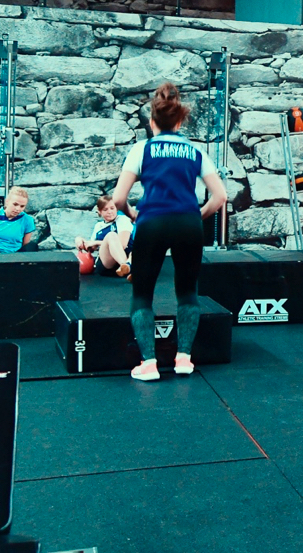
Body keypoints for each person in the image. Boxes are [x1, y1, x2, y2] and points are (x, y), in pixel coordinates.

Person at [111, 83, 227, 382]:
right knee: (188, 291)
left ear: (152, 122)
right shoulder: (194, 150)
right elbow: (220, 197)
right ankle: (184, 359)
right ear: (180, 122)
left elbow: (119, 198)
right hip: (188, 224)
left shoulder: (142, 148)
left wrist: (133, 214)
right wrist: (197, 215)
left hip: (152, 221)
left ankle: (148, 364)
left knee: (142, 294)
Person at [75, 195, 133, 278]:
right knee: (111, 236)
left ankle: (127, 269)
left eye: (112, 208)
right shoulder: (98, 226)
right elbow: (91, 249)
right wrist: (81, 242)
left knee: (136, 247)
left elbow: (122, 245)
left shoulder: (122, 220)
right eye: (105, 209)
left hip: (126, 256)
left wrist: (96, 242)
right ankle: (127, 268)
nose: (110, 212)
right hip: (108, 265)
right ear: (99, 211)